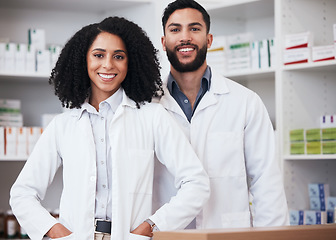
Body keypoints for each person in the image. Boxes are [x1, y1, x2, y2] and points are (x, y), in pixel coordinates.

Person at [10, 16, 210, 240]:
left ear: (130, 62)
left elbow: (196, 183)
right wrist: (57, 233)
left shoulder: (152, 117)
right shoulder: (63, 125)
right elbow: (22, 194)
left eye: (118, 56)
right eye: (98, 55)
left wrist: (151, 227)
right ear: (83, 61)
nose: (108, 64)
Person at [153, 0, 289, 229]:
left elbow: (266, 182)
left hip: (227, 230)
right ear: (164, 42)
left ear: (209, 39)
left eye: (194, 29)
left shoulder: (246, 102)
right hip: (166, 232)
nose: (185, 37)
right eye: (175, 29)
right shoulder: (148, 104)